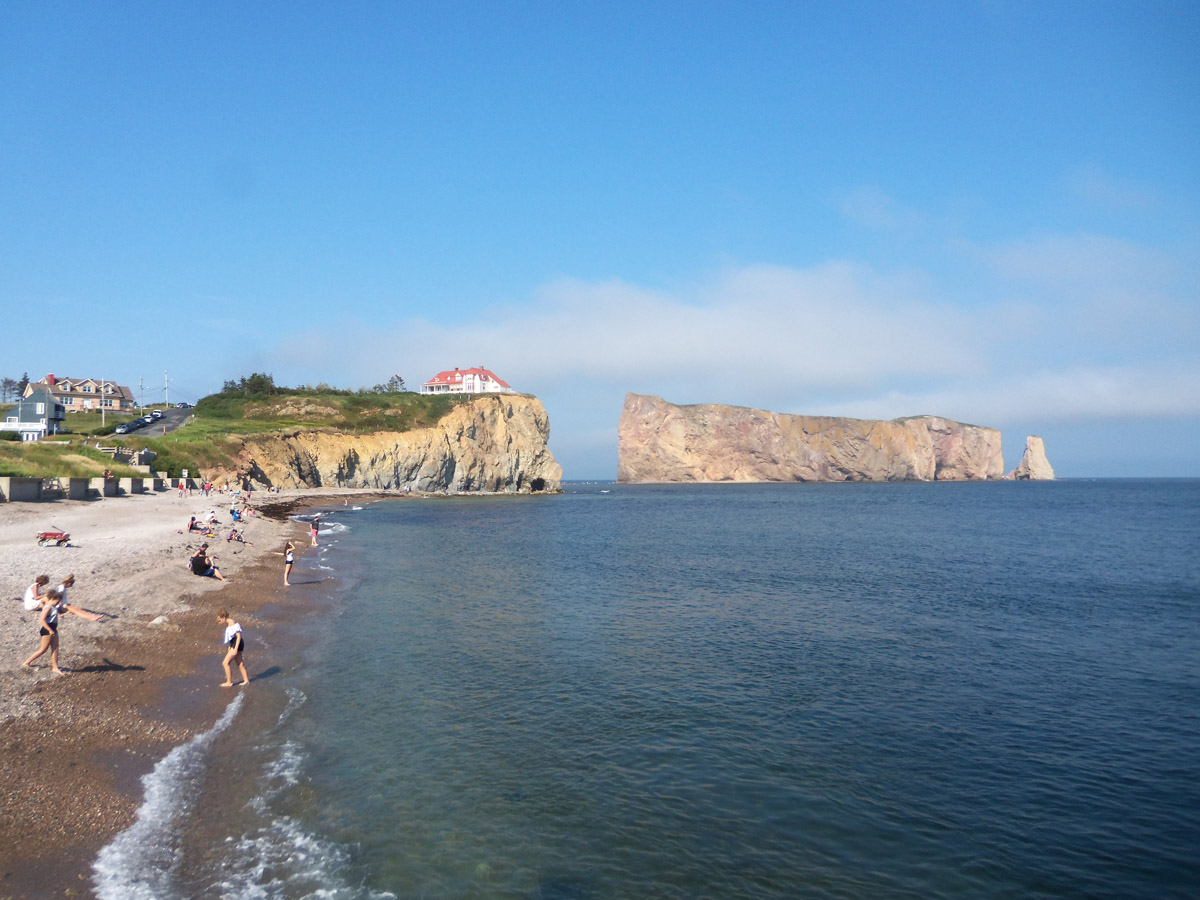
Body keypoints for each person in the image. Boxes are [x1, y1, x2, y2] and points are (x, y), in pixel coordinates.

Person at [23, 588, 105, 674]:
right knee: (43, 649)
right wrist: (50, 630)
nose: (58, 603)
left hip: (53, 628)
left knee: (55, 648)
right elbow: (42, 620)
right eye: (58, 601)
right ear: (52, 599)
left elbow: (55, 615)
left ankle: (55, 667)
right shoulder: (48, 607)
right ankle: (27, 662)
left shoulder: (53, 607)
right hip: (47, 630)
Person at [216, 609, 249, 687]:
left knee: (225, 663)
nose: (219, 622)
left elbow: (238, 636)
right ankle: (246, 680)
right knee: (240, 663)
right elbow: (232, 637)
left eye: (219, 620)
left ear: (223, 617)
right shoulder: (228, 622)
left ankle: (229, 682)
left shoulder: (232, 623)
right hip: (235, 644)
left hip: (237, 644)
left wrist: (235, 649)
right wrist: (230, 647)